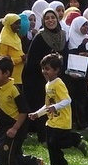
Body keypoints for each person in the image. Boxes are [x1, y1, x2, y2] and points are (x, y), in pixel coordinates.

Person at [0, 56, 44, 165]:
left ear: (6, 73)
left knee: (3, 156)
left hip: (16, 127)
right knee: (13, 155)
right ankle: (34, 164)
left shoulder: (14, 89)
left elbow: (23, 111)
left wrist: (15, 128)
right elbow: (3, 106)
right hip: (4, 126)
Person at [29, 53, 88, 165]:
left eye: (47, 69)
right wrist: (37, 114)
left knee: (57, 142)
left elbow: (67, 100)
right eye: (43, 68)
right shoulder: (48, 85)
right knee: (50, 144)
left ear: (56, 70)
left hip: (62, 120)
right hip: (51, 121)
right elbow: (48, 105)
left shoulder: (58, 83)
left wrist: (56, 107)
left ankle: (76, 140)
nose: (44, 71)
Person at [23, 8, 67, 142]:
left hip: (57, 78)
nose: (50, 20)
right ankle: (43, 136)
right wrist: (49, 61)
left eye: (53, 17)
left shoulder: (62, 34)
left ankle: (58, 135)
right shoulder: (40, 36)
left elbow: (66, 55)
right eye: (47, 18)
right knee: (43, 106)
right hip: (38, 79)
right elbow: (32, 61)